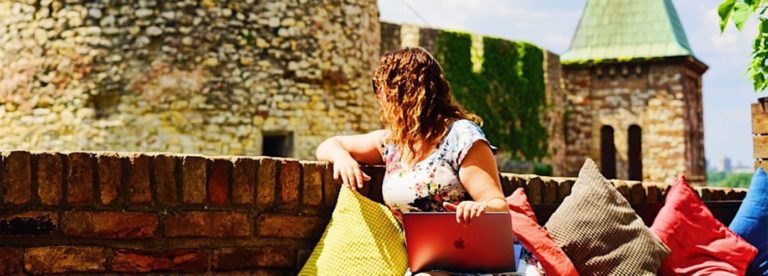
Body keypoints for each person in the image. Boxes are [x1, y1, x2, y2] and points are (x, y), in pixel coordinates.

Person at [315, 47, 525, 275]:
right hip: (424, 266)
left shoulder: (461, 136)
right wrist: (342, 158)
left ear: (403, 89)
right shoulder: (393, 143)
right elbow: (328, 145)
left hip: (472, 263)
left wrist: (478, 208)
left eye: (379, 87)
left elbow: (498, 204)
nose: (378, 96)